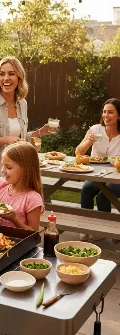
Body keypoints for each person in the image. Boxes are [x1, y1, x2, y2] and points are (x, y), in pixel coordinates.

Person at [0, 57, 54, 204]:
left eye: (11, 74)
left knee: (13, 219)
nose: (6, 78)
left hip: (17, 173)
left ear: (19, 77)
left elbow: (19, 138)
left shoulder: (22, 104)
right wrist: (4, 139)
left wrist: (39, 133)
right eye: (2, 74)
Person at [75, 98, 120, 243]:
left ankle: (103, 228)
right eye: (104, 112)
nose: (106, 115)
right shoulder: (95, 129)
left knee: (103, 195)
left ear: (119, 115)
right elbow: (78, 152)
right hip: (96, 174)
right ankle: (85, 227)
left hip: (117, 177)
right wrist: (89, 141)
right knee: (87, 189)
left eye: (110, 112)